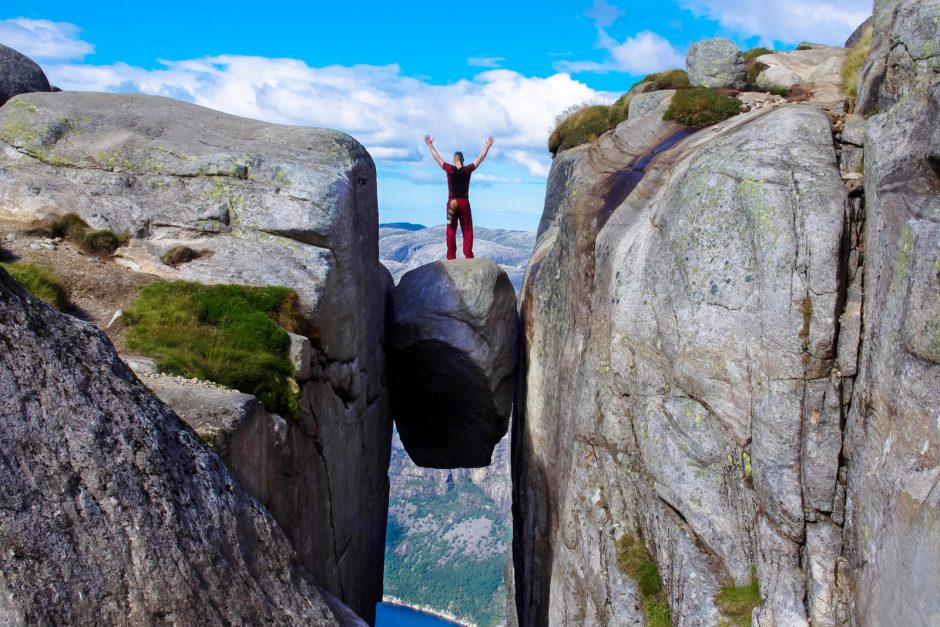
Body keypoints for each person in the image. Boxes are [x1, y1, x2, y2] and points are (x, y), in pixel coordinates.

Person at [423, 134, 495, 259]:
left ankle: (451, 256)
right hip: (463, 203)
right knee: (467, 229)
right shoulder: (467, 170)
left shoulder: (449, 169)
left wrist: (430, 145)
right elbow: (480, 158)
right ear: (462, 160)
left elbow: (437, 158)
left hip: (452, 203)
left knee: (450, 228)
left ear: (454, 159)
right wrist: (487, 146)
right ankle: (468, 255)